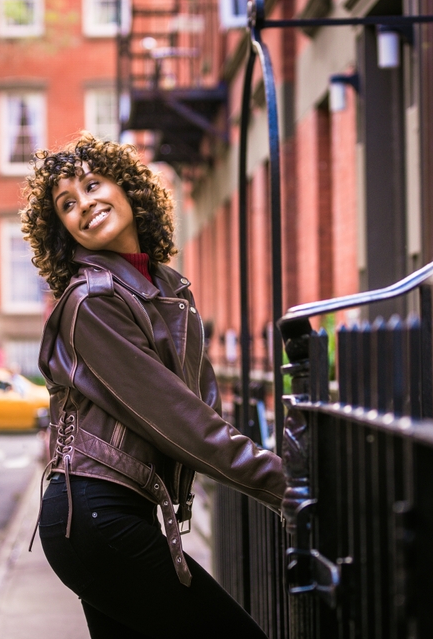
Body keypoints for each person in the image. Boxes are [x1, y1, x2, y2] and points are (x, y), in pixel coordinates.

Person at [21, 134, 287, 638]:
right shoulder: (93, 303)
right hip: (97, 517)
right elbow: (177, 419)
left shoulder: (164, 289)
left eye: (94, 185)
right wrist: (283, 484)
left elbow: (200, 407)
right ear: (65, 233)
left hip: (115, 515)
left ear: (128, 190)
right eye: (67, 205)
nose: (85, 204)